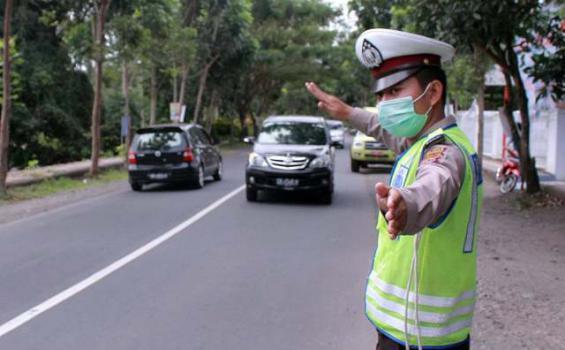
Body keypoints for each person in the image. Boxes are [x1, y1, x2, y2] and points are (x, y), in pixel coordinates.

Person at [305, 29, 483, 350]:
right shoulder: (418, 140)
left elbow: (433, 186)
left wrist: (406, 207)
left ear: (432, 93)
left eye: (396, 91)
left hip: (419, 335)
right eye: (380, 95)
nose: (384, 104)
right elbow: (380, 128)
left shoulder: (445, 152)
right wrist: (347, 113)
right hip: (404, 327)